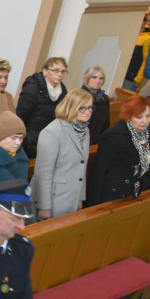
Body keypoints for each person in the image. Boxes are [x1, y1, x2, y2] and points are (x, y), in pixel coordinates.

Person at [33, 88, 92, 220]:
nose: (87, 112)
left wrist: (80, 197)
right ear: (71, 107)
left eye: (90, 108)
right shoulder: (53, 131)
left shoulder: (85, 131)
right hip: (54, 199)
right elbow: (43, 173)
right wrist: (44, 206)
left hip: (73, 196)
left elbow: (82, 165)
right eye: (82, 108)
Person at [87, 95, 150, 205]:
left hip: (131, 191)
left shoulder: (144, 135)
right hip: (111, 194)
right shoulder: (113, 136)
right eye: (139, 117)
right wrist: (93, 205)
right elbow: (98, 172)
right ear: (128, 116)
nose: (144, 121)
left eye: (148, 116)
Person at [16, 57, 69, 158]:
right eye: (56, 70)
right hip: (29, 142)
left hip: (49, 141)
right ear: (45, 71)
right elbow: (20, 117)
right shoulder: (32, 89)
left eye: (63, 71)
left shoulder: (63, 92)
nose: (60, 74)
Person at [80, 65, 110, 145]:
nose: (98, 81)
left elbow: (106, 123)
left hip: (96, 141)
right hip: (80, 140)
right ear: (87, 78)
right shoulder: (79, 96)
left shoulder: (104, 99)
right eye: (94, 77)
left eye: (101, 78)